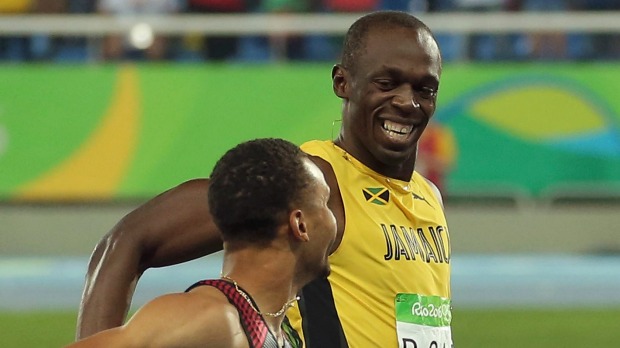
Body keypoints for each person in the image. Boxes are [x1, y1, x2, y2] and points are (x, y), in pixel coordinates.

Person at [77, 10, 452, 347]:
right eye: (387, 83)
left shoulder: (427, 196)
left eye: (425, 89)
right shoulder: (309, 182)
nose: (408, 102)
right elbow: (127, 240)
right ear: (343, 83)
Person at [67, 138, 336, 347]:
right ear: (299, 225)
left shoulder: (276, 329)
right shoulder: (214, 318)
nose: (333, 218)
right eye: (325, 204)